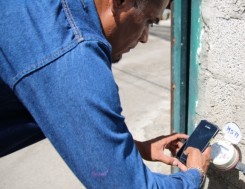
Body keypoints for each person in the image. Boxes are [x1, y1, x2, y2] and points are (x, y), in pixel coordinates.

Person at [0, 0, 211, 188]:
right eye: (148, 21)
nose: (146, 37)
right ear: (119, 3)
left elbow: (78, 131)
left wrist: (130, 150)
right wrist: (194, 174)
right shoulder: (75, 57)